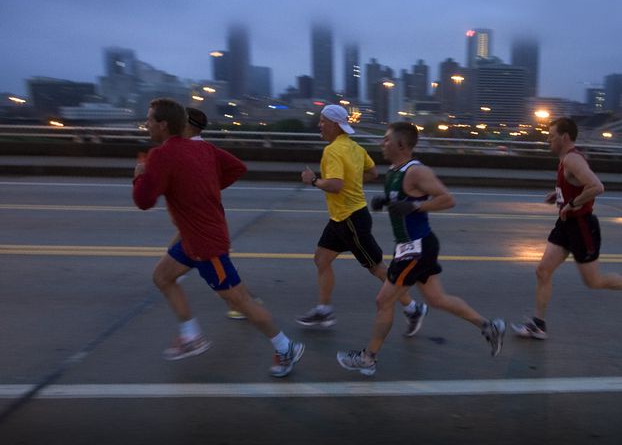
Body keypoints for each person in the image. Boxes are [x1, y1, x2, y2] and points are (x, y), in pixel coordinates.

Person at [133, 97, 304, 378]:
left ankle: (286, 347)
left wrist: (139, 175)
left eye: (150, 120)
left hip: (205, 244)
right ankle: (191, 336)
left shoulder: (161, 156)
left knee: (240, 301)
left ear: (163, 125)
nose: (146, 125)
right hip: (193, 238)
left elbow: (144, 201)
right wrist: (207, 187)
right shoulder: (206, 150)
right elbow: (237, 167)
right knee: (162, 277)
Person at [336, 121, 505, 376]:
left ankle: (368, 358)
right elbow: (404, 199)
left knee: (383, 301)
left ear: (401, 144)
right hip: (412, 246)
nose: (382, 144)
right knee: (437, 299)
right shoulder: (394, 170)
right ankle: (489, 326)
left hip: (416, 248)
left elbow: (448, 199)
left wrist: (415, 207)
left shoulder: (416, 171)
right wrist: (388, 200)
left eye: (386, 140)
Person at [511, 116, 622, 340]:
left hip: (581, 225)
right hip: (565, 224)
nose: (548, 140)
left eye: (551, 137)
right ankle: (538, 325)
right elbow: (576, 185)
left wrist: (571, 203)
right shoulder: (565, 160)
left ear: (565, 137)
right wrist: (560, 195)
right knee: (542, 271)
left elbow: (597, 187)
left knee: (593, 281)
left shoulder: (572, 159)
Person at [299, 105, 428, 337]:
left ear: (335, 125)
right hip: (341, 218)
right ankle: (324, 309)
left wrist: (313, 180)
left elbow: (335, 185)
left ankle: (413, 308)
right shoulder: (355, 148)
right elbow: (373, 173)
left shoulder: (333, 151)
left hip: (351, 220)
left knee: (377, 268)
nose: (319, 125)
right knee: (321, 259)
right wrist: (352, 183)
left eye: (322, 121)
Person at [181, 107, 262, 321]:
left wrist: (211, 188)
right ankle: (242, 299)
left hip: (203, 220)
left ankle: (244, 305)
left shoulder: (192, 150)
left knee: (215, 265)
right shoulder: (205, 148)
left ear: (188, 125)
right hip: (194, 217)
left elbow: (237, 168)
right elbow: (238, 167)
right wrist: (215, 187)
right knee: (206, 263)